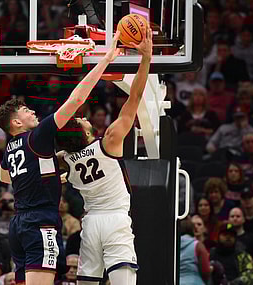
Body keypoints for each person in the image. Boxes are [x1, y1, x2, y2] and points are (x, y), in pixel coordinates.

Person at [0, 31, 122, 285]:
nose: (32, 111)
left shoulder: (10, 148)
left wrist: (46, 173)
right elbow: (76, 99)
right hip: (39, 221)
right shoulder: (37, 136)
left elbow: (3, 175)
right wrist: (106, 59)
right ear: (17, 122)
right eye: (26, 110)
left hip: (19, 225)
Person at [54, 23, 152, 285]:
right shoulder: (109, 140)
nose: (83, 117)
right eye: (81, 120)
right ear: (83, 132)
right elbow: (135, 97)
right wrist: (146, 57)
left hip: (90, 222)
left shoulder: (63, 159)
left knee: (87, 282)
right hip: (115, 219)